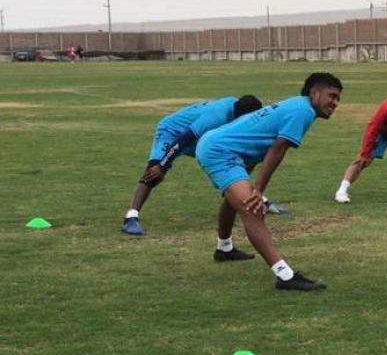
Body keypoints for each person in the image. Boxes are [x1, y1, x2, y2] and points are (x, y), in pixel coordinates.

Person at [195, 73, 343, 291]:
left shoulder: (298, 105)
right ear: (315, 93)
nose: (335, 103)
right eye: (332, 96)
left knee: (235, 200)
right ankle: (285, 276)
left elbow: (262, 139)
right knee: (253, 209)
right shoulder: (303, 111)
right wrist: (258, 190)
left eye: (338, 98)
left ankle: (224, 248)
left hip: (227, 146)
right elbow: (277, 149)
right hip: (221, 150)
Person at [121, 95, 264, 236]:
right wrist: (162, 165)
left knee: (238, 158)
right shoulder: (217, 116)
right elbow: (183, 139)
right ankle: (131, 217)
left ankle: (253, 198)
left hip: (199, 136)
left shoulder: (237, 107)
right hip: (173, 133)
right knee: (154, 173)